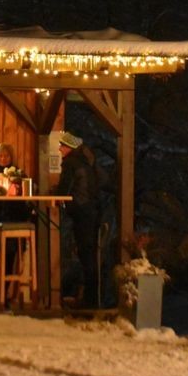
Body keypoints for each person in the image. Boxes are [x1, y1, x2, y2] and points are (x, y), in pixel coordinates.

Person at [0, 143, 32, 291]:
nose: (3, 159)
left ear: (11, 157)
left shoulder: (19, 174)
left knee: (9, 254)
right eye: (0, 156)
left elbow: (27, 197)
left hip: (13, 220)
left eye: (6, 156)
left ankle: (5, 291)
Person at [57, 131, 102, 309]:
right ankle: (92, 298)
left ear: (70, 147)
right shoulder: (87, 162)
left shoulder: (70, 163)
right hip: (93, 211)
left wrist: (56, 195)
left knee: (85, 255)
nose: (60, 149)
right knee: (90, 255)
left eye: (62, 145)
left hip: (81, 212)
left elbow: (64, 189)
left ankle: (89, 302)